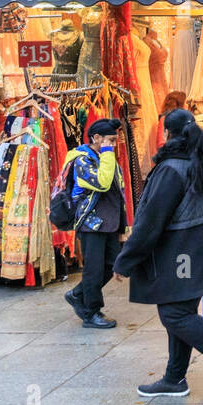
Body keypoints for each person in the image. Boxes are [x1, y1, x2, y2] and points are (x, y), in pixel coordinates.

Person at [114, 109, 203, 401]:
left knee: (174, 313)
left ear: (166, 134)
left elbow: (151, 222)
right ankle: (175, 378)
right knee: (181, 310)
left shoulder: (171, 169)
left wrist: (125, 260)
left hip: (184, 254)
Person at [62, 118, 126, 329]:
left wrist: (123, 226)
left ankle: (77, 294)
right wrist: (108, 154)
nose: (113, 145)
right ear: (96, 138)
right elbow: (103, 182)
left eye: (115, 141)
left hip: (109, 222)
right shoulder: (82, 159)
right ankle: (91, 312)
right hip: (91, 222)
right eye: (110, 140)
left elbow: (119, 191)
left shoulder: (105, 156)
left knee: (112, 264)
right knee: (94, 269)